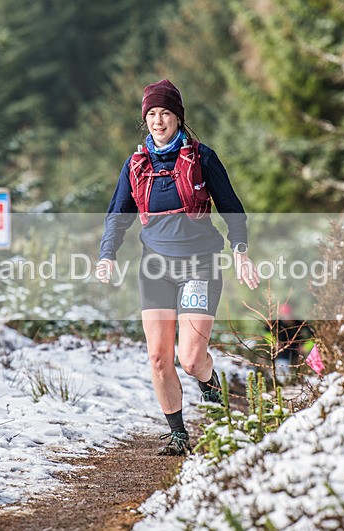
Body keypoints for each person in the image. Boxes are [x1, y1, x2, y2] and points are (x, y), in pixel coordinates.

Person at [95, 79, 259, 456]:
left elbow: (233, 209)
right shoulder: (136, 166)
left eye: (165, 113)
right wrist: (107, 254)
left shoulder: (203, 158)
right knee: (158, 357)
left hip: (200, 265)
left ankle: (211, 388)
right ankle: (179, 435)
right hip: (155, 268)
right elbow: (118, 216)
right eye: (151, 114)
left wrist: (240, 251)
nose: (158, 120)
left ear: (178, 117)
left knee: (190, 358)